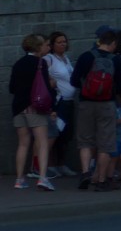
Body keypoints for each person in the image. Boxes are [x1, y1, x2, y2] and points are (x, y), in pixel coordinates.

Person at [70, 28, 121, 191]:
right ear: (113, 43)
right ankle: (102, 180)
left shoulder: (85, 57)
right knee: (105, 144)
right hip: (107, 105)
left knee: (85, 141)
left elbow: (74, 81)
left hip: (86, 104)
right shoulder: (116, 60)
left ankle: (86, 173)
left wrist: (86, 88)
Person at [10, 34, 56, 191]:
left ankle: (19, 179)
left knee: (23, 144)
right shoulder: (40, 63)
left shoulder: (18, 64)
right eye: (44, 44)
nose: (46, 47)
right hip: (35, 107)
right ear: (37, 47)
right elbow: (45, 88)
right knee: (42, 142)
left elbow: (11, 88)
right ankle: (43, 178)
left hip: (18, 108)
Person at [43, 31, 78, 177]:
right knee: (54, 134)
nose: (63, 44)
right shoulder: (48, 59)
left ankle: (61, 164)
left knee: (66, 135)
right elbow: (42, 77)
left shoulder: (65, 58)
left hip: (69, 102)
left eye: (64, 41)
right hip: (59, 102)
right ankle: (49, 165)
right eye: (59, 42)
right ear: (52, 45)